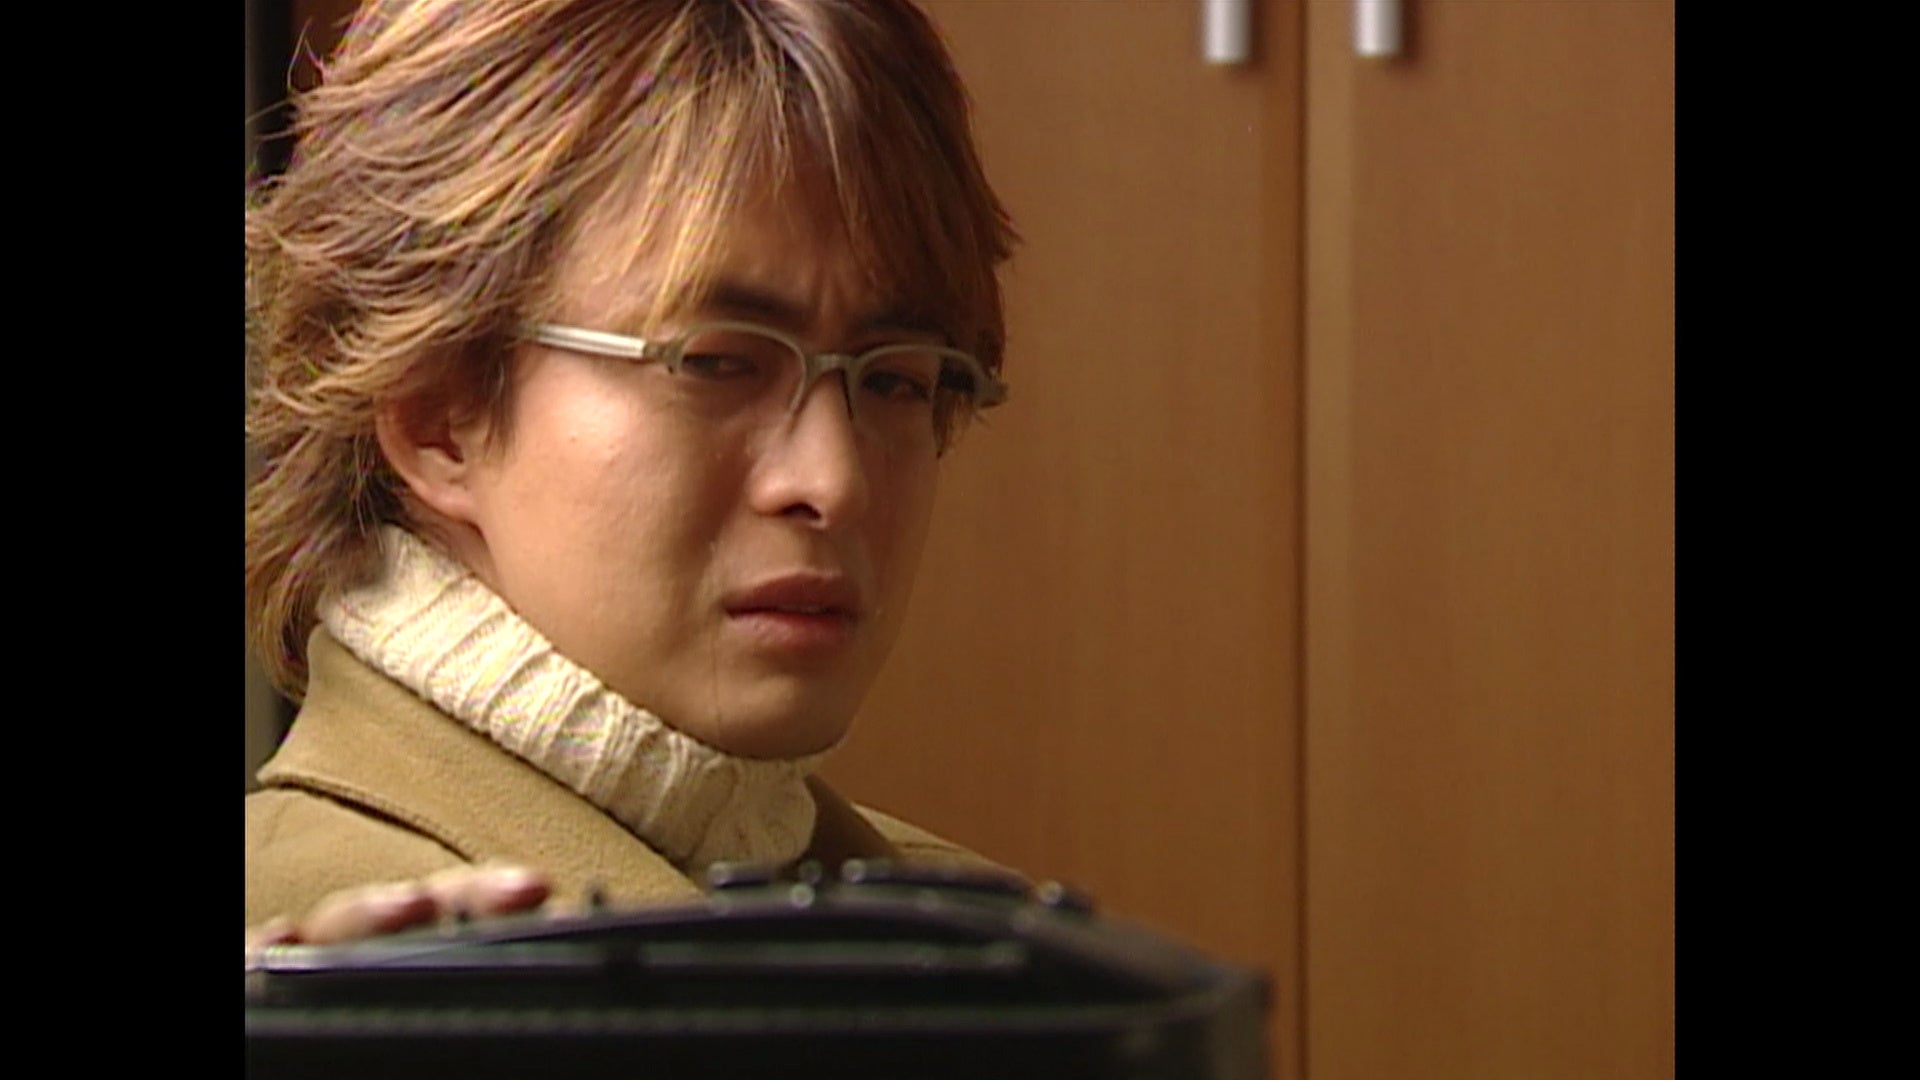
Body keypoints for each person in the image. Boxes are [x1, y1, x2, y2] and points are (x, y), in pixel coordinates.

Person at [244, 0, 1017, 947]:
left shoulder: (992, 945)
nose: (834, 481)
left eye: (895, 380)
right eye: (717, 363)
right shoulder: (297, 946)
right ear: (438, 419)